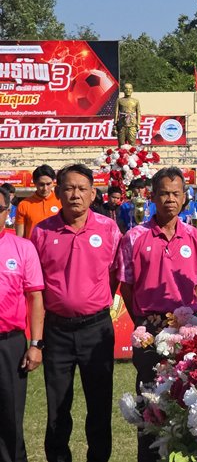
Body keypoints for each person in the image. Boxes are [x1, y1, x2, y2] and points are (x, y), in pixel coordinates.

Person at [118, 167, 197, 462]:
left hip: (186, 331)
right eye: (163, 194)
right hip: (149, 329)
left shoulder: (196, 237)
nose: (170, 199)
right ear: (152, 197)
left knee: (188, 398)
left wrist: (184, 317)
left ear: (184, 198)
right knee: (150, 401)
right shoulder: (134, 237)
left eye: (175, 194)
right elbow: (127, 286)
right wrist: (144, 320)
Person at [30, 164, 122, 462]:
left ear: (93, 194)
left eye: (82, 189)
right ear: (58, 192)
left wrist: (91, 301)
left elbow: (115, 274)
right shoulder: (41, 232)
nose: (75, 195)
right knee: (58, 407)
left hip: (97, 329)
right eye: (68, 188)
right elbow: (35, 286)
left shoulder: (109, 229)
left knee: (99, 405)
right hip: (57, 332)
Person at [0, 185, 43, 462]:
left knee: (10, 414)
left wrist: (36, 344)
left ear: (8, 212)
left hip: (9, 343)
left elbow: (35, 297)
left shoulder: (23, 247)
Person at [15, 164, 59, 238]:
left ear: (53, 182)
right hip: (32, 245)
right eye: (41, 184)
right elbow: (20, 237)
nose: (45, 188)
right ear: (35, 182)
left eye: (48, 184)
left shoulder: (61, 201)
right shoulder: (24, 204)